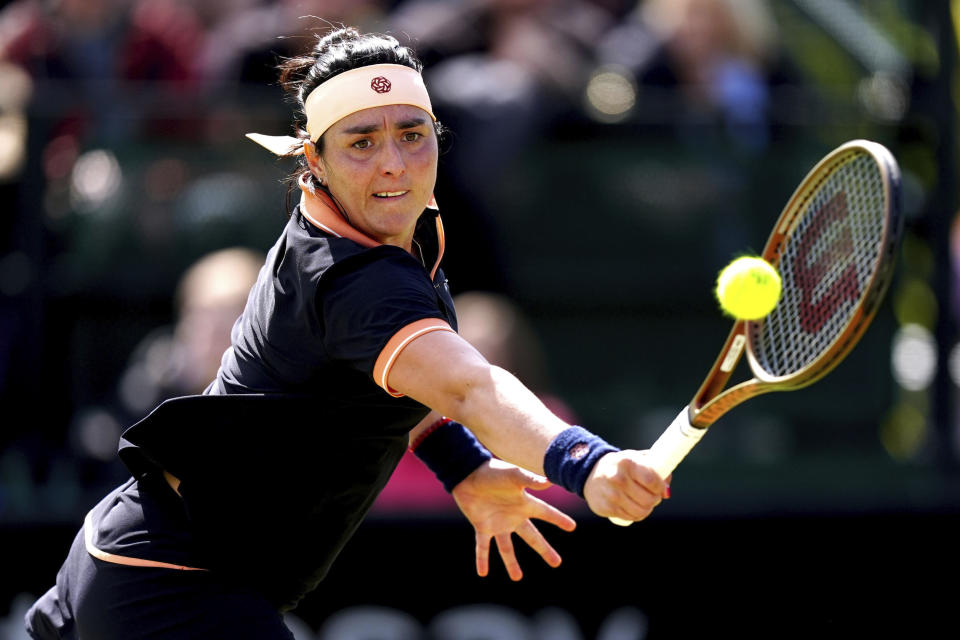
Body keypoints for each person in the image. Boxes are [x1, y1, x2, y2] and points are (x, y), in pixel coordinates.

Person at [25, 26, 669, 640]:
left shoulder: (368, 236)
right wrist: (588, 464)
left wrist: (463, 464)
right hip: (170, 585)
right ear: (315, 159)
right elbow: (471, 388)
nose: (393, 163)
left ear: (439, 140)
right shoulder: (356, 279)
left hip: (129, 560)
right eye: (361, 142)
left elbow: (380, 390)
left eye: (412, 135)